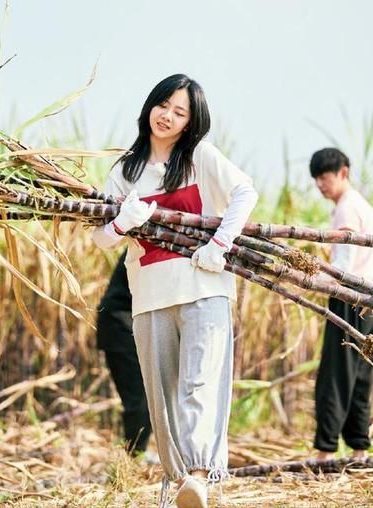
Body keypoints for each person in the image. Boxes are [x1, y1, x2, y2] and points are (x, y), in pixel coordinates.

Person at [93, 74, 258, 508]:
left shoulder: (199, 157)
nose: (166, 116)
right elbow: (100, 239)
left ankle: (200, 477)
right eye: (162, 105)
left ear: (190, 122)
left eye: (179, 112)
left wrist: (219, 245)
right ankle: (181, 482)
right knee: (162, 395)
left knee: (199, 383)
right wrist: (121, 223)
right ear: (150, 106)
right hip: (149, 296)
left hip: (205, 289)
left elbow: (244, 191)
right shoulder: (125, 171)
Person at [309, 147, 373, 461]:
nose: (320, 184)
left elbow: (344, 264)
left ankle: (324, 450)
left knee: (335, 372)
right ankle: (359, 447)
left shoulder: (348, 208)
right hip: (368, 300)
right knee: (360, 374)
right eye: (316, 179)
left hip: (349, 296)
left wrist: (321, 282)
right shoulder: (360, 204)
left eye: (325, 176)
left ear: (343, 173)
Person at [96, 251, 153, 457]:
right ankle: (135, 457)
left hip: (125, 324)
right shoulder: (141, 247)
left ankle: (139, 452)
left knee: (147, 395)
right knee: (139, 395)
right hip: (120, 325)